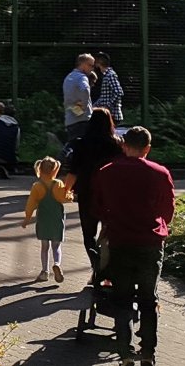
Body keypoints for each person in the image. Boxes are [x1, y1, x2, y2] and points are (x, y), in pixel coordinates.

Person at [94, 127, 176, 366]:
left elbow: (97, 208)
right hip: (150, 243)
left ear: (123, 145)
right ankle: (148, 353)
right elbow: (167, 212)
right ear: (147, 148)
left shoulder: (106, 173)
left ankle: (125, 353)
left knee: (122, 299)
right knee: (148, 299)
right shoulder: (160, 173)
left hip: (120, 241)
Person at [62, 108, 123, 269]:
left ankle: (96, 266)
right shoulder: (116, 144)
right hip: (110, 193)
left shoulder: (80, 143)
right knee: (108, 231)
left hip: (87, 192)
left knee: (88, 234)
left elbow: (73, 171)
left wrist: (65, 190)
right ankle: (107, 267)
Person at [22, 156, 71, 284]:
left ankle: (44, 271)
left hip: (43, 219)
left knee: (44, 247)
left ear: (40, 169)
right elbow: (64, 198)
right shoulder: (58, 184)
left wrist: (27, 218)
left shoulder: (37, 186)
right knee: (56, 246)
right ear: (55, 170)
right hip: (56, 219)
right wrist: (70, 194)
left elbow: (31, 204)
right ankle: (57, 263)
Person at [62, 54, 96, 145]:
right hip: (82, 121)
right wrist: (84, 108)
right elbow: (85, 89)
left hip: (70, 120)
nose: (92, 68)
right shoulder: (82, 77)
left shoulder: (68, 77)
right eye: (91, 65)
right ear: (83, 65)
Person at [92, 51, 124, 125]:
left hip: (112, 114)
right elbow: (104, 96)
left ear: (98, 62)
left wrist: (108, 105)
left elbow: (118, 92)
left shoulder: (110, 75)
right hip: (107, 114)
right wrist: (94, 107)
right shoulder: (106, 75)